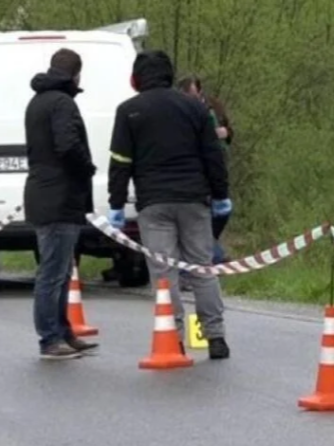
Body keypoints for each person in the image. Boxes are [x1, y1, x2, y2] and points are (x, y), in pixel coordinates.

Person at [107, 50, 232, 360]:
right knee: (202, 268)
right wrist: (220, 194)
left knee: (164, 273)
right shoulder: (194, 108)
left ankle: (172, 338)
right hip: (194, 200)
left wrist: (117, 204)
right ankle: (215, 337)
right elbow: (212, 155)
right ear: (170, 76)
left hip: (154, 204)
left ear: (135, 80)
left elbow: (120, 162)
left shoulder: (128, 111)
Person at [23, 48, 100, 360]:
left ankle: (63, 331)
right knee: (53, 273)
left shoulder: (38, 101)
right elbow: (67, 145)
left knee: (61, 271)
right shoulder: (63, 103)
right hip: (59, 196)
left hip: (44, 194)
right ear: (76, 74)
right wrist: (87, 168)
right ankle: (50, 338)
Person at [175, 74, 232, 264]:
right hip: (197, 171)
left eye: (193, 95)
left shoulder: (214, 107)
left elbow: (228, 128)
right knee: (198, 218)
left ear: (200, 92)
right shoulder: (180, 111)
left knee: (220, 215)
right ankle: (214, 255)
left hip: (217, 166)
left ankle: (209, 250)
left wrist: (226, 132)